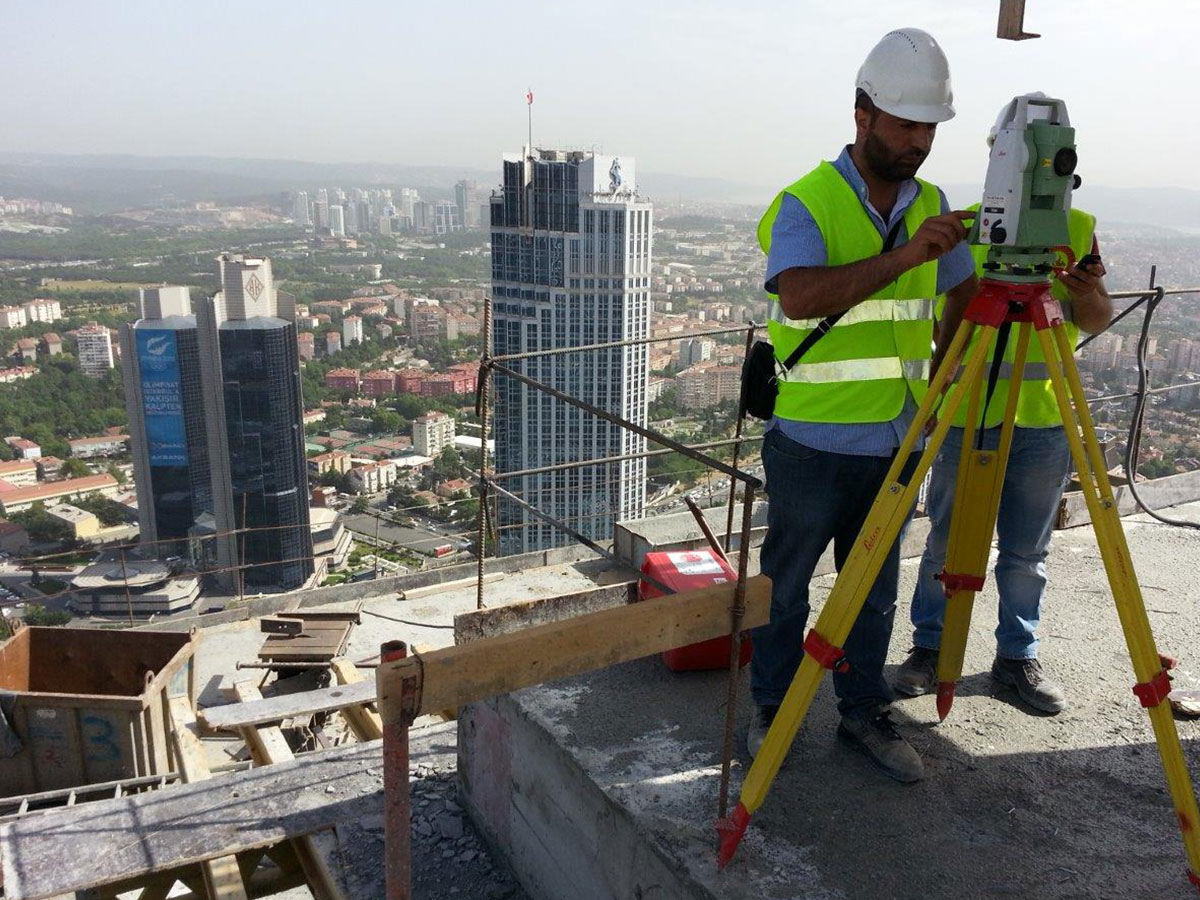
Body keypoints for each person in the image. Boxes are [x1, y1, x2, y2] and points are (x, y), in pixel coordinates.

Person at [748, 27, 978, 784]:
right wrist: (909, 255)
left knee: (873, 594)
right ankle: (773, 709)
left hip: (895, 441)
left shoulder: (935, 203)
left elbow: (965, 297)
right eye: (906, 124)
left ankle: (863, 709)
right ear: (863, 116)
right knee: (785, 592)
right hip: (813, 444)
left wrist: (943, 381)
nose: (918, 141)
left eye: (928, 128)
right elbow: (802, 294)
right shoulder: (807, 202)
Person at [894, 95, 1112, 714]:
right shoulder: (970, 224)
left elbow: (1095, 320)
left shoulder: (1076, 227)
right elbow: (949, 319)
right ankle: (930, 649)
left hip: (1042, 420)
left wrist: (1088, 289)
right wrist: (937, 395)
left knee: (1026, 552)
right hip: (967, 412)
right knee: (945, 542)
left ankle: (1017, 657)